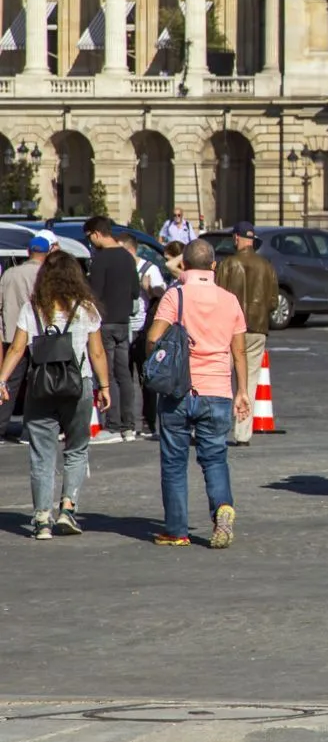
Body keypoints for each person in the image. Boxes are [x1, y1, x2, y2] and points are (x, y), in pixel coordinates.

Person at [144, 239, 250, 546]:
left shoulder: (175, 295)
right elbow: (239, 351)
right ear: (214, 266)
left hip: (178, 390)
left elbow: (152, 337)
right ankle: (223, 508)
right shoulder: (230, 300)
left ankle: (177, 530)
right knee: (215, 458)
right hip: (218, 390)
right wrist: (242, 391)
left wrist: (157, 361)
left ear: (185, 265)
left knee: (174, 462)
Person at [0, 251, 112, 539]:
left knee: (41, 452)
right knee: (76, 449)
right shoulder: (86, 308)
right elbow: (97, 352)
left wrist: (2, 380)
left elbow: (17, 349)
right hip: (78, 385)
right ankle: (67, 510)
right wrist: (105, 387)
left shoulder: (33, 308)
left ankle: (41, 519)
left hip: (41, 386)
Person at [213, 221, 276, 446]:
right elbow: (273, 302)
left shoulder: (227, 264)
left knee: (220, 378)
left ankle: (214, 428)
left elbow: (217, 296)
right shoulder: (266, 266)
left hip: (230, 330)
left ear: (236, 238)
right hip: (258, 328)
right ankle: (242, 434)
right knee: (249, 381)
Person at [83, 216, 139, 444]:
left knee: (108, 375)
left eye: (89, 237)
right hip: (124, 323)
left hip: (104, 323)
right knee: (125, 375)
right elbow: (135, 292)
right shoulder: (127, 256)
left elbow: (93, 294)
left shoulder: (100, 259)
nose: (90, 241)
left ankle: (113, 425)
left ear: (97, 233)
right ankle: (129, 426)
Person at [0, 230, 55, 442]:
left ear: (28, 251)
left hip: (13, 336)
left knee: (10, 382)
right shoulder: (48, 275)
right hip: (41, 337)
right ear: (47, 252)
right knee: (39, 383)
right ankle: (32, 428)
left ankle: (1, 426)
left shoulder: (10, 274)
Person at [121, 232, 166, 439]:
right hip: (123, 327)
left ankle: (148, 422)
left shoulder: (150, 269)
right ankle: (126, 423)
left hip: (142, 329)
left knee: (145, 377)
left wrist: (148, 288)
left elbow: (162, 293)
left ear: (130, 250)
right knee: (123, 378)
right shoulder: (119, 268)